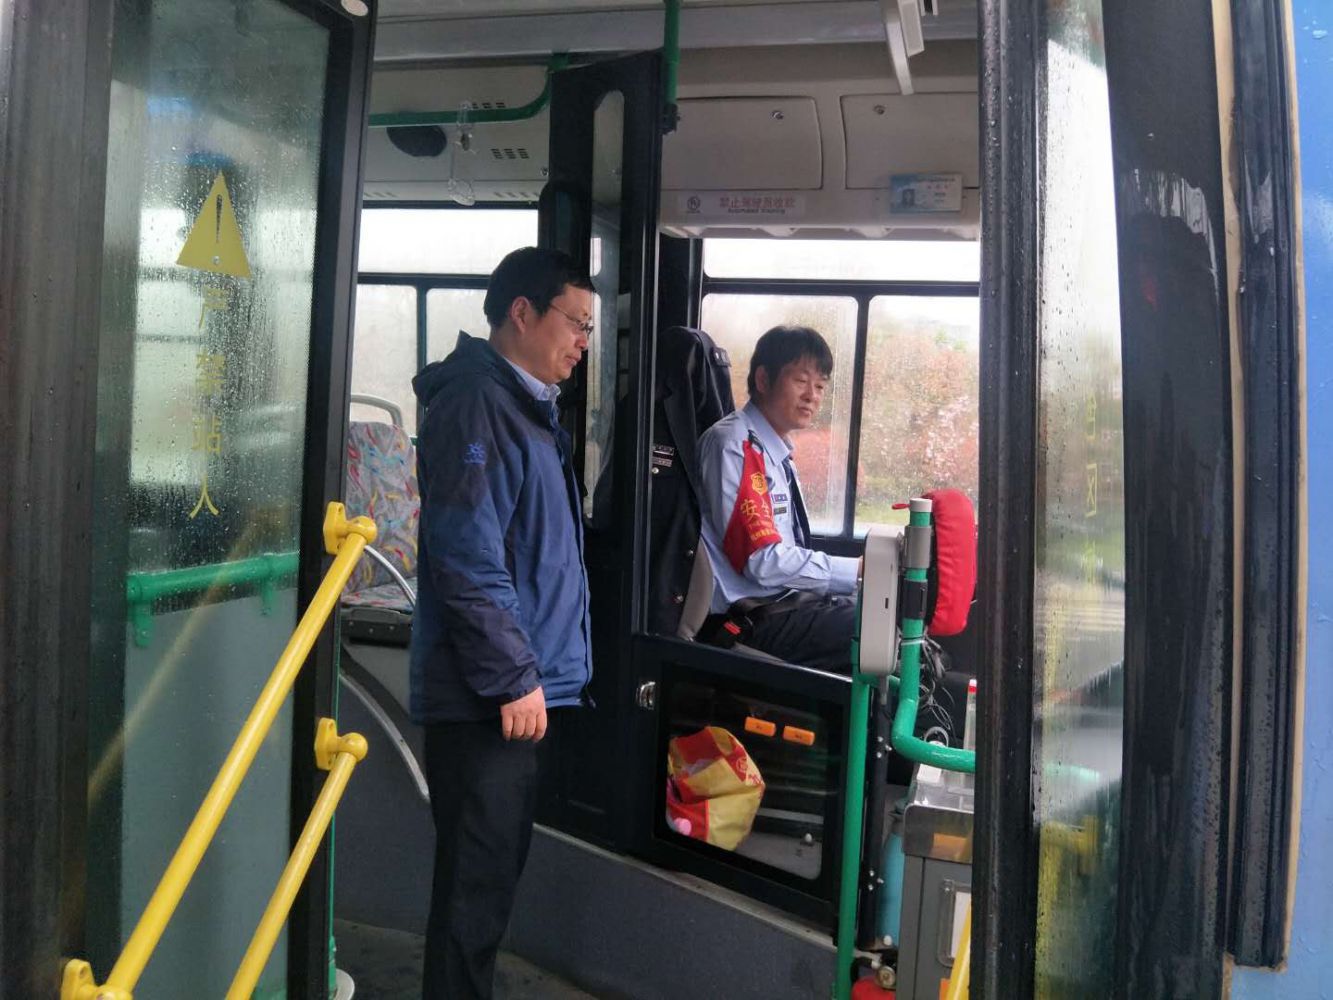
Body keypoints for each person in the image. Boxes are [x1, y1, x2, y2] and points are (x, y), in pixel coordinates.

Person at [409, 246, 594, 999]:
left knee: (486, 891)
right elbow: (467, 557)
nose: (582, 343)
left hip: (515, 693)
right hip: (486, 699)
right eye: (576, 323)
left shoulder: (525, 409)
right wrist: (514, 677)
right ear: (522, 312)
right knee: (472, 898)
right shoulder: (477, 406)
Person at [696, 325, 862, 671]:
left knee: (882, 619)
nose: (812, 396)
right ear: (763, 379)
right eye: (801, 381)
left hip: (781, 604)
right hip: (749, 616)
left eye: (820, 386)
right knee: (876, 635)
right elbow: (760, 559)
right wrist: (856, 571)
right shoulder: (738, 445)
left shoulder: (774, 450)